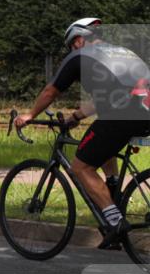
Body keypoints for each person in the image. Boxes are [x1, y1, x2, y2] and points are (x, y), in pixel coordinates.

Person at [15, 18, 150, 249]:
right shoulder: (121, 52)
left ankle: (116, 223)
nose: (71, 50)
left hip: (122, 115)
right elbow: (106, 97)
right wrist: (76, 117)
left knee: (80, 167)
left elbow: (50, 91)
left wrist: (29, 115)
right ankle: (113, 191)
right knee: (103, 146)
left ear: (78, 40)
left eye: (71, 46)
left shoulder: (80, 56)